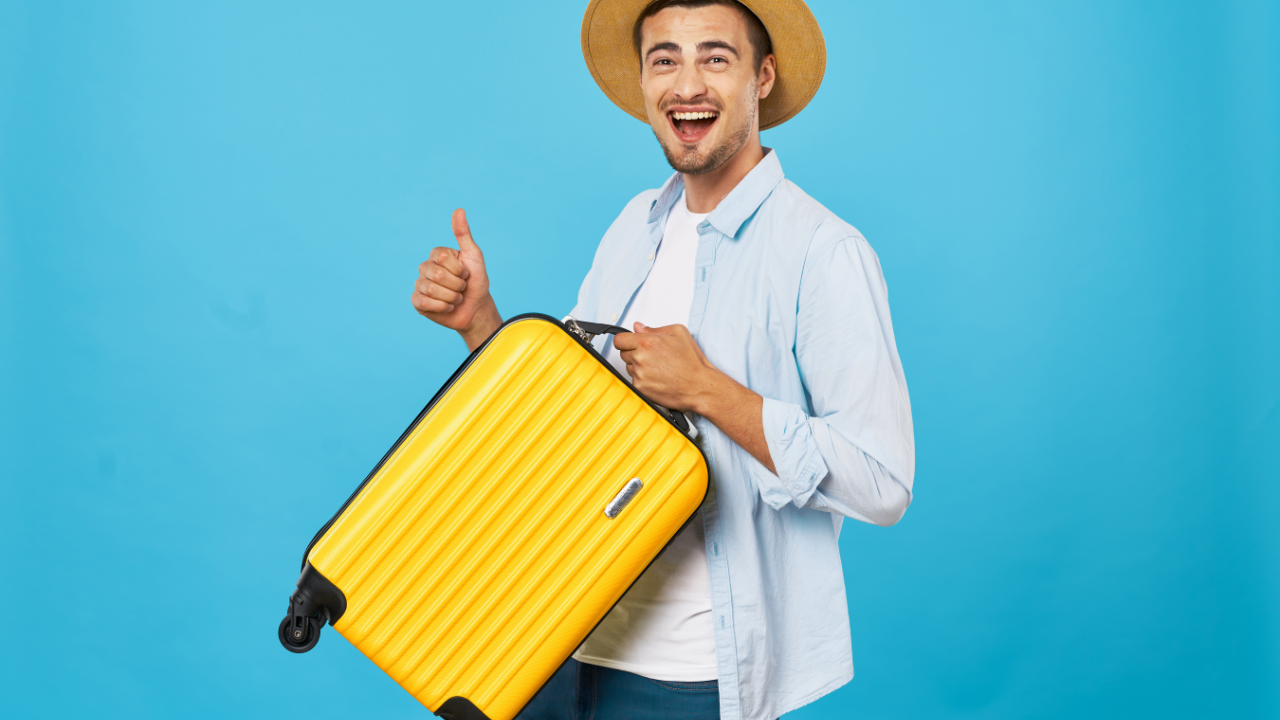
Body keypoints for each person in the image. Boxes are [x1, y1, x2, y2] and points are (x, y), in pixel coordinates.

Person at [410, 1, 914, 718]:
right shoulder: (633, 227)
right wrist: (482, 328)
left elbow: (883, 481)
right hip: (556, 644)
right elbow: (571, 428)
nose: (687, 85)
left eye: (715, 57)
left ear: (761, 76)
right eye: (664, 59)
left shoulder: (822, 252)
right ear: (645, 82)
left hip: (692, 679)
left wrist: (711, 392)